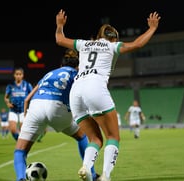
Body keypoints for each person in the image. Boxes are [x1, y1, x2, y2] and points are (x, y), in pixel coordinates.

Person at [55, 9, 160, 181]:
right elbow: (137, 44)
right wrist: (152, 29)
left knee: (95, 138)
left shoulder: (84, 44)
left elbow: (59, 39)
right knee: (113, 137)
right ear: (114, 38)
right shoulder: (112, 46)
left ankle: (86, 166)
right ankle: (105, 176)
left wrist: (60, 25)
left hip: (76, 91)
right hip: (95, 87)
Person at [13, 49, 99, 181]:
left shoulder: (49, 73)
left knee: (20, 150)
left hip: (36, 106)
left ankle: (20, 178)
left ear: (61, 65)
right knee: (82, 137)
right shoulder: (77, 74)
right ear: (77, 66)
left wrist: (26, 118)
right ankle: (92, 175)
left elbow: (26, 99)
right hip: (58, 108)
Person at [4, 67, 33, 141]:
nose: (18, 76)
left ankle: (20, 144)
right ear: (14, 75)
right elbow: (6, 97)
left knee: (23, 130)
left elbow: (33, 95)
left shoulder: (27, 85)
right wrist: (8, 103)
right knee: (13, 130)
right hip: (13, 110)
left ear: (22, 75)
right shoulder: (10, 86)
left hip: (24, 110)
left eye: (20, 74)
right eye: (17, 74)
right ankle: (18, 141)